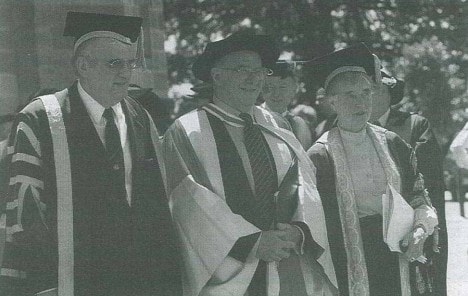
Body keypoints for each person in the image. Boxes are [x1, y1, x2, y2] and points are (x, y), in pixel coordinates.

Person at [0, 11, 182, 296]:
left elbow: (156, 207)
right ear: (83, 65)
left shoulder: (140, 118)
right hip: (72, 279)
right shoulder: (40, 119)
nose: (126, 73)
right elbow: (27, 216)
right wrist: (45, 284)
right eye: (114, 63)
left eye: (130, 63)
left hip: (139, 279)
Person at [163, 31, 338, 296]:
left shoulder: (278, 125)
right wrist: (252, 242)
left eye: (260, 70)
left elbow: (305, 183)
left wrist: (299, 231)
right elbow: (189, 202)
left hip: (289, 264)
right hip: (231, 271)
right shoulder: (187, 132)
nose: (254, 78)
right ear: (216, 75)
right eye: (242, 69)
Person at [307, 43, 439, 296]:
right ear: (332, 102)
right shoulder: (320, 155)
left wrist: (421, 228)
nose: (361, 102)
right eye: (350, 95)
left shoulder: (393, 143)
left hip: (398, 250)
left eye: (366, 92)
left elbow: (418, 194)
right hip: (349, 255)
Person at [370, 69, 448, 295]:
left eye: (376, 90)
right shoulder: (350, 129)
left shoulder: (414, 125)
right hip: (375, 226)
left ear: (389, 94)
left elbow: (426, 178)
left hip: (414, 223)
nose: (369, 96)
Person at [261, 61, 314, 150]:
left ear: (294, 89)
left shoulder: (299, 125)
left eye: (283, 87)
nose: (276, 94)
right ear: (261, 89)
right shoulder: (252, 119)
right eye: (270, 87)